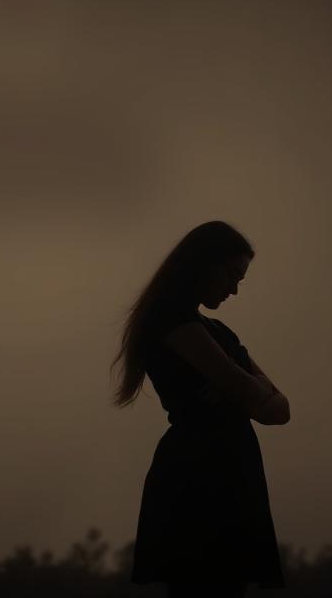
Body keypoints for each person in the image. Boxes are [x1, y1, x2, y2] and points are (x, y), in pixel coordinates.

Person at [113, 221, 290, 598]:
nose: (234, 289)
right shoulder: (171, 319)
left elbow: (279, 410)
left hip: (232, 473)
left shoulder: (220, 332)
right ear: (204, 263)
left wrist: (243, 388)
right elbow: (257, 396)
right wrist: (247, 386)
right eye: (231, 275)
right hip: (198, 475)